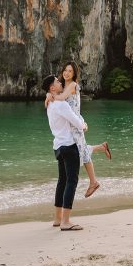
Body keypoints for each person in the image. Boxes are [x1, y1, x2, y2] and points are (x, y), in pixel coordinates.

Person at [45, 62, 111, 198]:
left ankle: (93, 182)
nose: (67, 73)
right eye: (65, 70)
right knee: (81, 149)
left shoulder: (73, 85)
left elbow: (61, 98)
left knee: (82, 152)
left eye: (70, 71)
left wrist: (50, 97)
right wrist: (48, 95)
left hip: (75, 123)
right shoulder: (62, 86)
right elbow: (55, 93)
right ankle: (102, 147)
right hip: (70, 122)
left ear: (74, 74)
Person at [43, 74, 87, 231]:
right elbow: (75, 120)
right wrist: (84, 125)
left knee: (62, 181)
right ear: (52, 88)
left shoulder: (50, 103)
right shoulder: (60, 104)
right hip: (69, 145)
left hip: (58, 146)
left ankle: (57, 219)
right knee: (71, 182)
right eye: (56, 81)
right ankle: (66, 221)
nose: (59, 82)